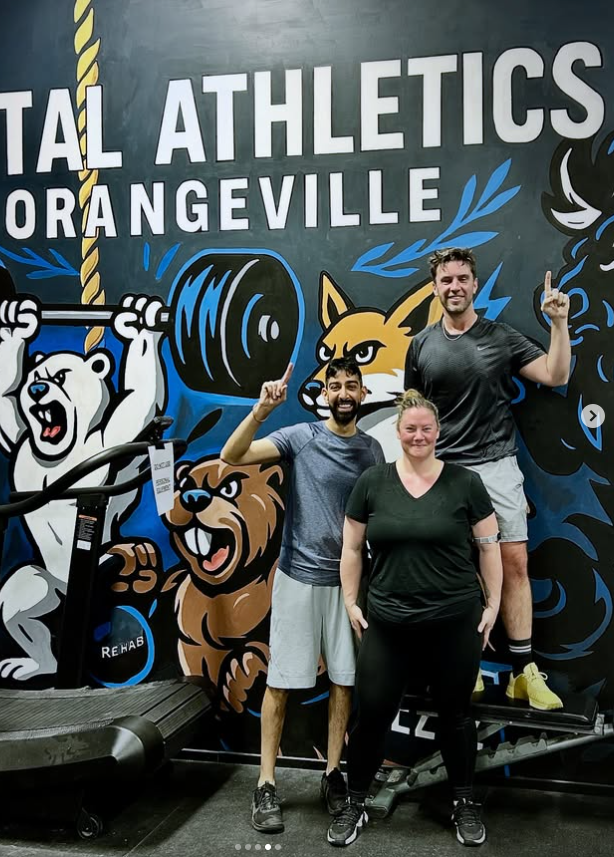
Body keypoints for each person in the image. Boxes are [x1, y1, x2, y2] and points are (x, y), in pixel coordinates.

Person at [328, 389, 502, 848]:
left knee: (456, 717)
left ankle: (465, 803)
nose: (419, 436)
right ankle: (355, 803)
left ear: (438, 432)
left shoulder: (465, 482)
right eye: (410, 429)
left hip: (454, 621)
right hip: (388, 622)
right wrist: (351, 602)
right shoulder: (372, 481)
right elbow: (350, 549)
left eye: (426, 428)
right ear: (398, 432)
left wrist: (493, 606)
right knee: (373, 717)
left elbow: (489, 549)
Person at [220, 356, 384, 834]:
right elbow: (233, 455)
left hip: (348, 586)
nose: (344, 393)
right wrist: (261, 410)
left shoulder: (373, 450)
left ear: (362, 392)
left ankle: (332, 775)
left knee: (344, 683)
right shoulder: (300, 436)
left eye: (352, 385)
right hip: (297, 578)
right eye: (336, 386)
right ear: (325, 393)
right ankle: (266, 783)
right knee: (281, 683)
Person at [404, 247, 570, 710]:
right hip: (445, 473)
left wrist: (559, 323)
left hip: (497, 466)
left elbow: (556, 374)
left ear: (474, 285)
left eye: (461, 278)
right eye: (445, 280)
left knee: (514, 564)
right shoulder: (420, 345)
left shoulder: (502, 337)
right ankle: (467, 664)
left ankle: (523, 673)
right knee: (457, 573)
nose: (453, 287)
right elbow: (412, 418)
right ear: (435, 288)